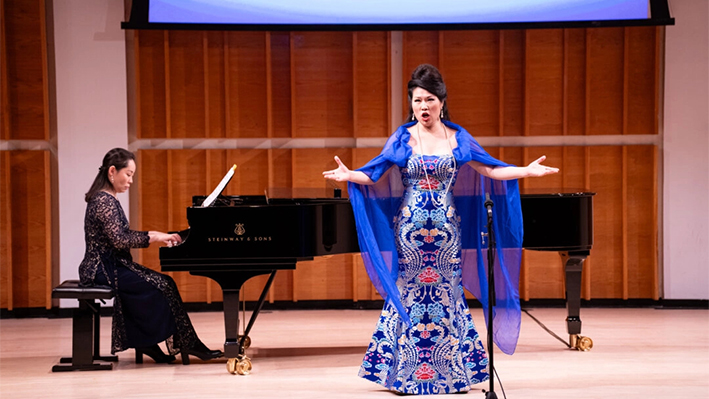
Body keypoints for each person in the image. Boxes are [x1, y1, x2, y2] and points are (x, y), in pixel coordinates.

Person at [323, 64, 558, 395]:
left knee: (446, 295)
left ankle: (453, 373)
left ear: (442, 102)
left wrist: (525, 171)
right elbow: (373, 173)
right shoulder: (403, 137)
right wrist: (350, 176)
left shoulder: (458, 138)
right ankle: (402, 374)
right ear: (412, 103)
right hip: (409, 234)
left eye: (429, 100)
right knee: (408, 293)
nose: (423, 107)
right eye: (417, 100)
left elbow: (491, 170)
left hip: (447, 234)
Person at [79, 148, 223, 364]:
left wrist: (155, 234)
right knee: (163, 284)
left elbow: (121, 236)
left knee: (162, 284)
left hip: (111, 266)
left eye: (132, 176)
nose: (130, 180)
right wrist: (154, 237)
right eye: (128, 174)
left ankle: (148, 340)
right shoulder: (104, 201)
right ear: (112, 171)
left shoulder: (107, 199)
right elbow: (119, 240)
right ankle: (184, 343)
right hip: (102, 269)